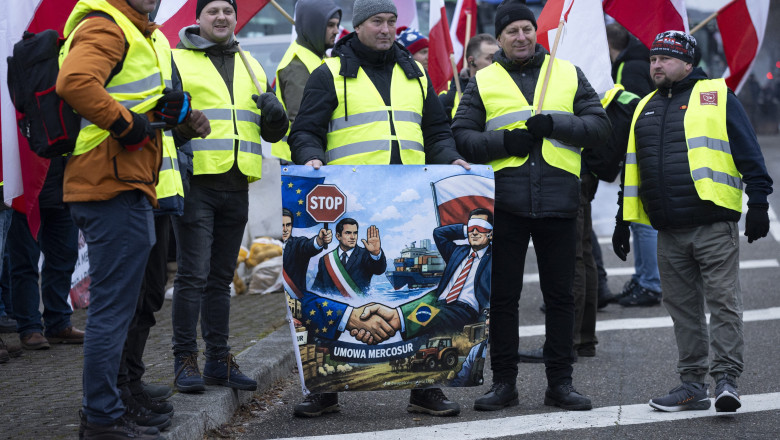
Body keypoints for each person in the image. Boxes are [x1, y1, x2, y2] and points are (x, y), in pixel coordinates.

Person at [289, 0, 469, 419]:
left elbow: (436, 131)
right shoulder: (329, 73)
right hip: (353, 200)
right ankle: (326, 388)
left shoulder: (416, 73)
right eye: (377, 21)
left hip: (410, 200)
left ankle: (425, 388)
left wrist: (451, 157)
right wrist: (311, 156)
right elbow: (307, 130)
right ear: (359, 26)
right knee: (333, 294)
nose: (386, 29)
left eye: (391, 21)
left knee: (426, 291)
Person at [452, 0, 610, 412]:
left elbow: (599, 127)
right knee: (502, 299)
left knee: (560, 298)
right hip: (504, 204)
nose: (521, 37)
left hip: (560, 202)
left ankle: (561, 383)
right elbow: (462, 136)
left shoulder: (567, 72)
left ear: (535, 32)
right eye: (512, 32)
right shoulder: (484, 80)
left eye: (527, 29)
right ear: (499, 38)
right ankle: (505, 383)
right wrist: (505, 142)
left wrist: (556, 124)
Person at [57, 0, 205, 437]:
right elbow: (75, 82)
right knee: (111, 312)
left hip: (129, 182)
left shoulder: (142, 30)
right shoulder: (108, 26)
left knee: (122, 308)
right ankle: (103, 416)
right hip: (107, 182)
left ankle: (115, 403)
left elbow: (130, 99)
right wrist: (128, 126)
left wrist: (167, 115)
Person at [612, 31, 773, 413]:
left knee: (723, 304)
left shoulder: (716, 96)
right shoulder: (644, 106)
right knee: (682, 311)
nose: (656, 65)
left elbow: (749, 151)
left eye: (665, 59)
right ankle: (691, 385)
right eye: (653, 59)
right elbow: (633, 169)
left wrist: (759, 202)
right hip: (667, 230)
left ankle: (726, 380)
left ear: (687, 63)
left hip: (712, 224)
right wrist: (622, 219)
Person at [170, 0, 288, 394]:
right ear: (198, 18)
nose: (222, 17)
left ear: (236, 18)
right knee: (192, 275)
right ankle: (184, 359)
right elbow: (166, 126)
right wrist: (184, 130)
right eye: (213, 10)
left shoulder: (253, 66)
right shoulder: (176, 61)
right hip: (196, 182)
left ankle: (217, 361)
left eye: (228, 11)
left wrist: (276, 117)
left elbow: (269, 133)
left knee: (220, 279)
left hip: (238, 183)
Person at [352, 208, 493, 342]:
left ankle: (395, 323)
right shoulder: (457, 252)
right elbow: (439, 233)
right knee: (419, 304)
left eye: (481, 227)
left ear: (491, 233)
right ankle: (394, 316)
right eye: (471, 227)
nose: (474, 232)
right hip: (438, 298)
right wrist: (465, 229)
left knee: (431, 315)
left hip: (463, 309)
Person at [606, 22, 662, 307]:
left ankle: (650, 283)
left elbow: (636, 113)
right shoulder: (637, 63)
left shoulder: (630, 68)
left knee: (642, 221)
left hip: (639, 152)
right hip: (641, 151)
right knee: (638, 217)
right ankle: (643, 279)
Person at [7, 157, 82, 350]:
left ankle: (58, 323)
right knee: (25, 263)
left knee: (65, 257)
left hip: (63, 188)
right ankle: (29, 327)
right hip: (25, 192)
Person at [272, 0, 341, 162]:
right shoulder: (297, 64)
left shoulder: (318, 56)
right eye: (330, 25)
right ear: (314, 25)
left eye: (337, 25)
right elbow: (302, 120)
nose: (336, 31)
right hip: (301, 160)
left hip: (311, 155)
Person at [312, 218, 386, 296]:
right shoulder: (325, 259)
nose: (353, 237)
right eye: (348, 233)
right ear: (338, 236)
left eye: (355, 233)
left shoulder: (366, 255)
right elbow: (317, 289)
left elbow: (379, 270)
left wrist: (375, 253)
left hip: (359, 306)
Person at [439, 34, 499, 124]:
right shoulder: (448, 96)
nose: (496, 63)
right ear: (471, 61)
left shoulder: (511, 86)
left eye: (498, 58)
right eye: (490, 58)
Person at [282, 207, 331, 295]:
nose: (285, 229)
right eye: (282, 225)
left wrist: (319, 241)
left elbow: (308, 246)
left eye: (288, 225)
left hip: (296, 301)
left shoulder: (297, 245)